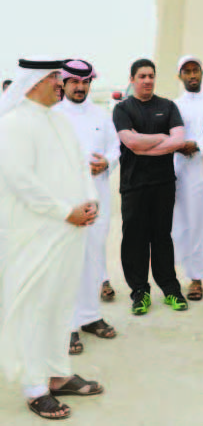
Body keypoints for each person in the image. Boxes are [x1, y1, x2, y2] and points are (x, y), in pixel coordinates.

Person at [0, 59, 104, 421]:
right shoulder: (13, 124)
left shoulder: (59, 120)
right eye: (54, 77)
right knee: (34, 307)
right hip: (35, 234)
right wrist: (66, 211)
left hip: (69, 232)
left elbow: (80, 166)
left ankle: (58, 373)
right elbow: (20, 181)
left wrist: (89, 200)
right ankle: (34, 386)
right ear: (33, 82)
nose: (61, 83)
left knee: (61, 304)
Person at [113, 59, 188, 315]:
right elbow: (130, 142)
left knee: (162, 237)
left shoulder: (168, 106)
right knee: (134, 239)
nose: (147, 80)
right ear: (132, 79)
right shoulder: (122, 109)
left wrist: (147, 144)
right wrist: (161, 138)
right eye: (142, 76)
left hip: (163, 184)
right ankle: (139, 292)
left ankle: (171, 290)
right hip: (133, 186)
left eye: (151, 76)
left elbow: (179, 140)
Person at [56, 60, 120, 355]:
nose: (80, 88)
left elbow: (115, 146)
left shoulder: (100, 113)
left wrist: (107, 161)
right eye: (74, 83)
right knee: (68, 261)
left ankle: (90, 316)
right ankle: (66, 325)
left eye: (85, 83)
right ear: (64, 84)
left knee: (94, 255)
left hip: (99, 196)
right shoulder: (53, 115)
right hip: (67, 200)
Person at [172, 56, 203, 302]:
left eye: (196, 71)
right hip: (185, 173)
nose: (192, 76)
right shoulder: (174, 106)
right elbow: (169, 136)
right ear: (179, 76)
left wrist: (198, 145)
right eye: (187, 71)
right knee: (191, 225)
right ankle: (195, 278)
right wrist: (179, 146)